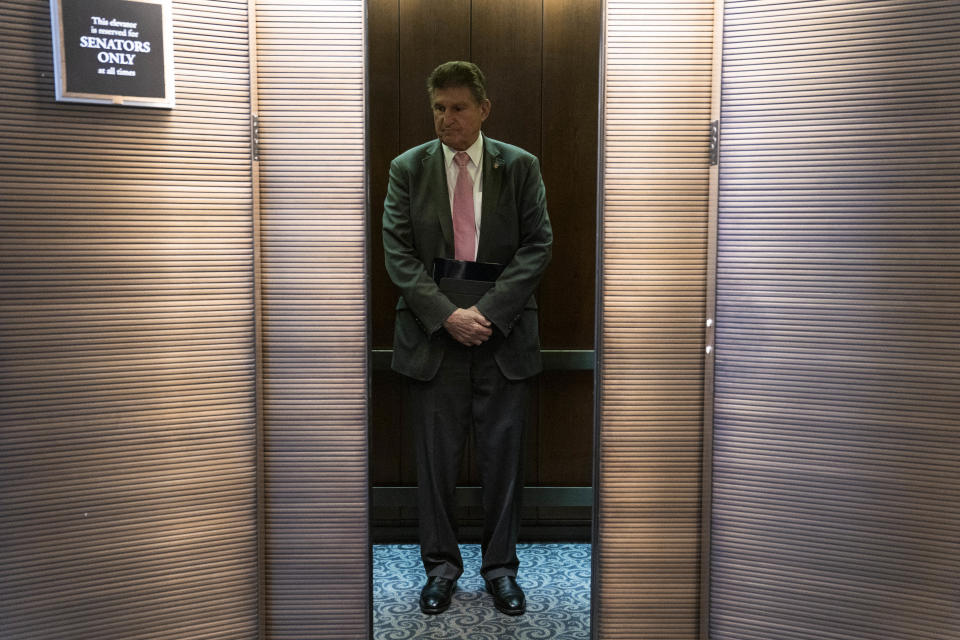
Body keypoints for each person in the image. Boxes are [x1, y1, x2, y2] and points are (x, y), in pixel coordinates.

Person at [382, 60, 552, 616]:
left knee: (505, 460)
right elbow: (398, 256)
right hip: (433, 339)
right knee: (435, 463)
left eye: (457, 108)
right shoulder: (407, 168)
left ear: (483, 109)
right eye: (438, 108)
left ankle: (501, 569)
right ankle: (440, 569)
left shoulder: (520, 166)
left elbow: (537, 247)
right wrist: (447, 315)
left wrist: (486, 311)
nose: (446, 119)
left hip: (502, 337)